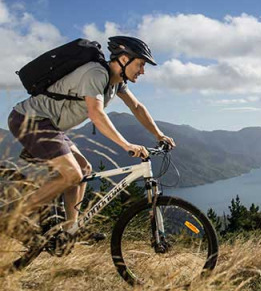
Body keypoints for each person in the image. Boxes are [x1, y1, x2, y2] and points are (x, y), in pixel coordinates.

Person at [7, 36, 176, 234]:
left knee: (84, 169)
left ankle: (71, 228)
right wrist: (126, 145)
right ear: (123, 59)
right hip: (29, 120)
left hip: (50, 126)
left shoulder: (116, 82)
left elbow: (137, 107)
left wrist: (159, 134)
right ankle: (12, 218)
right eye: (140, 64)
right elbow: (96, 114)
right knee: (72, 174)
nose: (143, 71)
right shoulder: (96, 74)